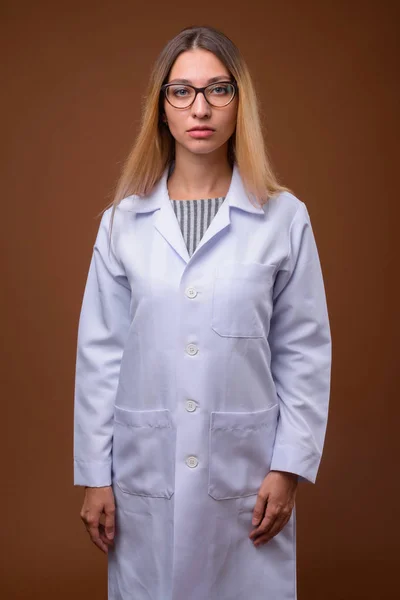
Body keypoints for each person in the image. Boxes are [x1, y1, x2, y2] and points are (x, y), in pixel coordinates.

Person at [73, 24, 332, 600]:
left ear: (241, 103)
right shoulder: (122, 223)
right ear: (161, 107)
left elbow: (304, 351)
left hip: (245, 475)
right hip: (146, 473)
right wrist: (95, 476)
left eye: (219, 90)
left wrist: (287, 468)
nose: (201, 108)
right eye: (182, 91)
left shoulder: (284, 218)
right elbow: (100, 357)